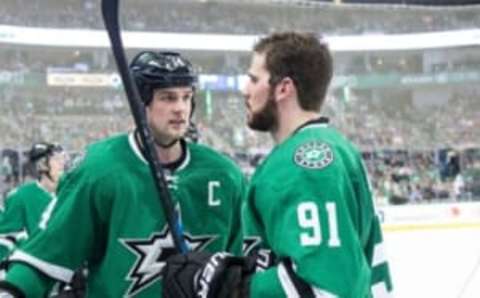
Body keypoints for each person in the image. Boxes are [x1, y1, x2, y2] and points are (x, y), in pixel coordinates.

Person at [161, 32, 393, 298]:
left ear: (283, 88)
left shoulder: (305, 164)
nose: (244, 89)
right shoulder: (331, 146)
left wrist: (233, 287)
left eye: (254, 79)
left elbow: (326, 288)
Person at [0, 51, 246, 297]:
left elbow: (242, 267)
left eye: (186, 97)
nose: (180, 109)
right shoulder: (98, 170)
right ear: (140, 103)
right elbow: (45, 256)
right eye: (168, 98)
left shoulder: (226, 175)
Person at [0, 142, 66, 261]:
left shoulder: (70, 193)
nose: (62, 164)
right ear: (42, 165)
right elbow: (5, 240)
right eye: (56, 160)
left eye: (62, 159)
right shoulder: (20, 197)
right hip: (35, 270)